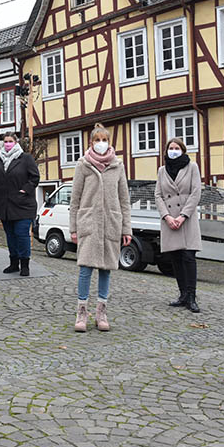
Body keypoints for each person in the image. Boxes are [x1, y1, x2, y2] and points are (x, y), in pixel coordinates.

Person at [69, 124, 131, 332]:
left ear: (110, 142)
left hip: (111, 224)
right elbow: (75, 199)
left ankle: (101, 311)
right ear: (91, 143)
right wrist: (73, 228)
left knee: (106, 270)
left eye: (104, 139)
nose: (101, 143)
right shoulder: (83, 165)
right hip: (89, 223)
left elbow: (124, 200)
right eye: (97, 140)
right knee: (85, 268)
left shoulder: (118, 166)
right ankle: (81, 311)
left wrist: (126, 229)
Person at [155, 138, 203, 312]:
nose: (173, 150)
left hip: (187, 219)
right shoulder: (162, 170)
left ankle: (191, 296)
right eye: (170, 148)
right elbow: (158, 195)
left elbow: (196, 192)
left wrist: (183, 216)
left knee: (189, 257)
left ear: (182, 150)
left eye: (176, 148)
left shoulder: (192, 167)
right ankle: (182, 294)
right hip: (170, 220)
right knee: (175, 258)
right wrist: (167, 216)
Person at [0, 131, 40, 276]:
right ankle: (14, 263)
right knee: (10, 235)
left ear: (16, 142)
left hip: (23, 204)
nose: (7, 143)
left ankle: (25, 264)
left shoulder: (25, 158)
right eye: (5, 141)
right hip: (4, 205)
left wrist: (25, 190)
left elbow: (35, 177)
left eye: (10, 141)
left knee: (21, 234)